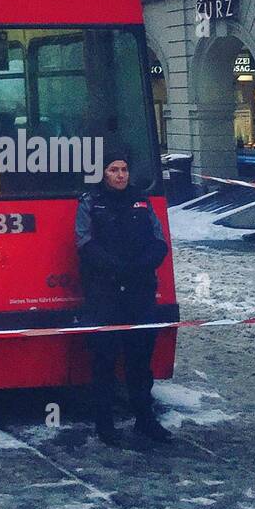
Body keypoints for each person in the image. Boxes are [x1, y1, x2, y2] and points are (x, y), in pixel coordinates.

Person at [75, 145, 173, 447]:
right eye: (113, 170)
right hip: (105, 294)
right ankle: (105, 425)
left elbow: (159, 242)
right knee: (104, 360)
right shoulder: (91, 204)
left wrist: (139, 268)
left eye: (124, 170)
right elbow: (85, 244)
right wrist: (115, 269)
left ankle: (146, 420)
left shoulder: (142, 202)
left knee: (140, 360)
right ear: (103, 174)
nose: (120, 175)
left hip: (139, 292)